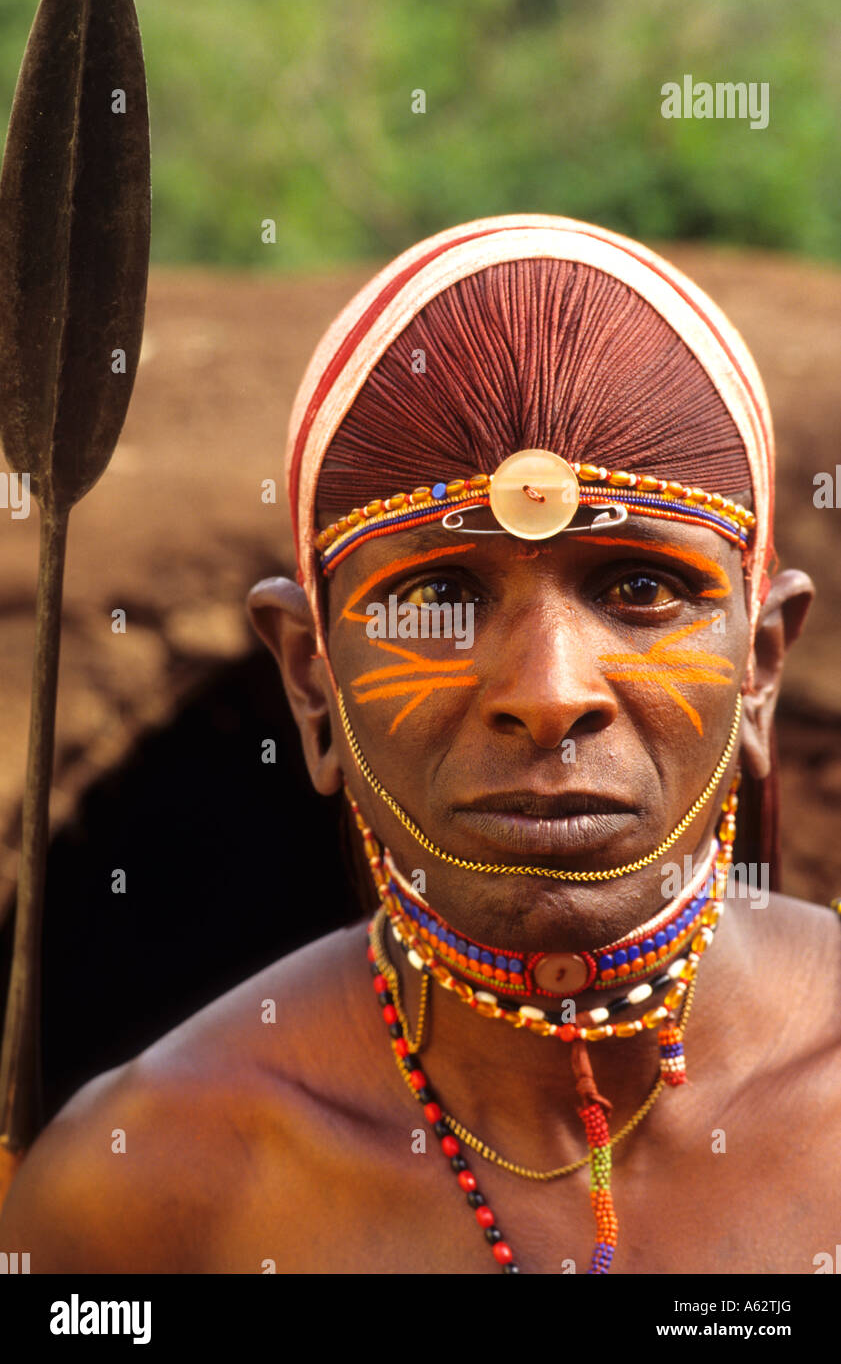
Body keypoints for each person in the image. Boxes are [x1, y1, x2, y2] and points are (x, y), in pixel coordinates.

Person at [0, 214, 837, 1275]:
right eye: (438, 596)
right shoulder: (138, 1189)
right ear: (309, 678)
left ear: (761, 665)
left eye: (640, 589)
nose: (549, 693)